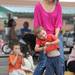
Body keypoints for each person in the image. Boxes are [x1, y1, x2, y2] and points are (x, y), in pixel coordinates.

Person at [34, 0, 64, 75]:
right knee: (43, 63)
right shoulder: (38, 6)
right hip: (43, 36)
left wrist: (54, 37)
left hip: (55, 36)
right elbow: (37, 25)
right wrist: (42, 41)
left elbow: (59, 22)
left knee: (60, 61)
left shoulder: (58, 5)